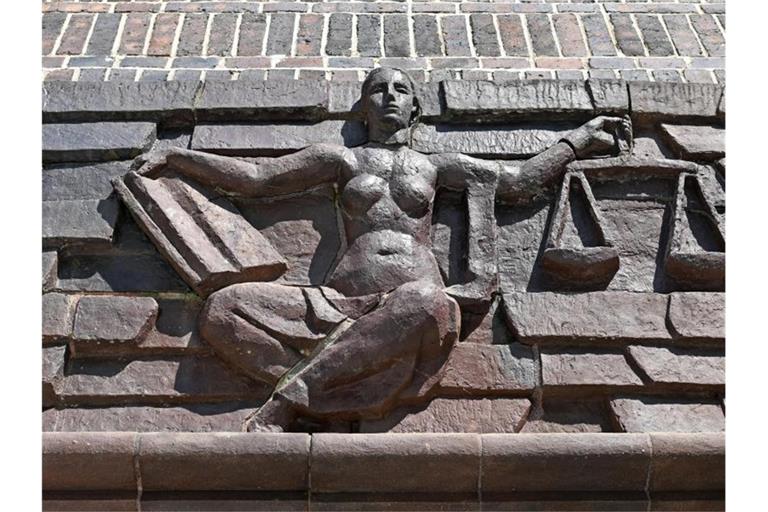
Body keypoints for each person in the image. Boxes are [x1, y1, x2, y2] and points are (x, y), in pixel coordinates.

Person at [137, 67, 630, 430]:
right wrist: (179, 157)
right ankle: (347, 374)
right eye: (378, 89)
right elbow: (257, 178)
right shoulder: (341, 161)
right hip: (339, 302)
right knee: (225, 308)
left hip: (417, 305)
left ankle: (292, 398)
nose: (390, 96)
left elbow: (519, 180)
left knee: (425, 301)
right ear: (363, 108)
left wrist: (577, 141)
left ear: (415, 108)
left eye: (401, 89)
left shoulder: (437, 166)